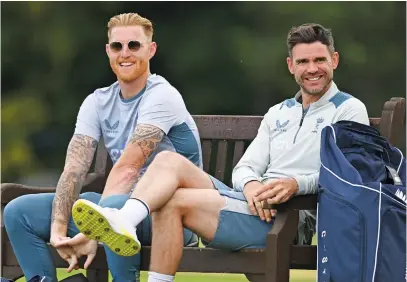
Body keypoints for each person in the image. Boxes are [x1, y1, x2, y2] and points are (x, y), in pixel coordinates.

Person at [72, 23, 370, 282]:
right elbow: (244, 168)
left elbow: (350, 177)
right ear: (291, 66)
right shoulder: (279, 112)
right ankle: (126, 219)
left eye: (320, 60)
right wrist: (253, 186)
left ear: (334, 60)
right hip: (249, 203)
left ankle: (126, 220)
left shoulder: (349, 110)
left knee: (171, 201)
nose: (312, 69)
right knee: (166, 161)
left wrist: (295, 185)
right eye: (303, 61)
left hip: (291, 216)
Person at [3, 13, 201, 282]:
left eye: (134, 45)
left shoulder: (162, 96)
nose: (125, 53)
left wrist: (91, 231)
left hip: (170, 215)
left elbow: (128, 169)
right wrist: (58, 230)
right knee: (18, 211)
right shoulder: (97, 102)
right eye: (117, 46)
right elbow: (74, 169)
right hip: (115, 206)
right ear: (108, 51)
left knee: (116, 207)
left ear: (151, 49)